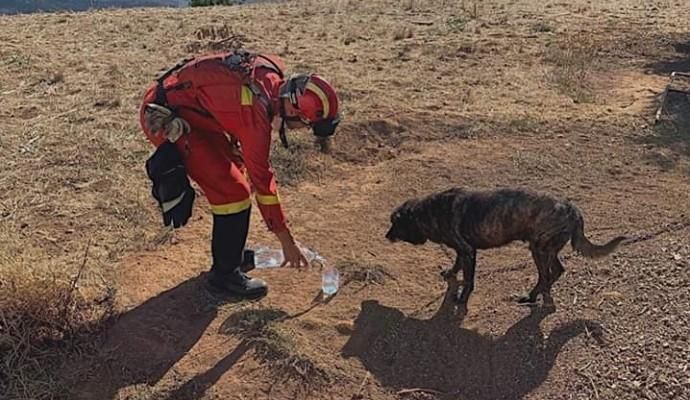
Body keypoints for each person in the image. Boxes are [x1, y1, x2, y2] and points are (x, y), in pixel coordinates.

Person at [139, 49, 340, 299]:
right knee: (233, 192)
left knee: (236, 180)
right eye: (304, 125)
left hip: (190, 109)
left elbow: (227, 103)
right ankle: (224, 277)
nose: (299, 129)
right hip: (165, 117)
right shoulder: (256, 116)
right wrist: (287, 242)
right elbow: (264, 183)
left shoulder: (269, 76)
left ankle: (231, 253)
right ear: (296, 109)